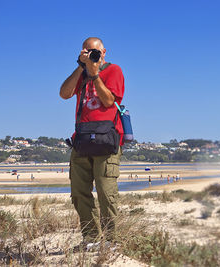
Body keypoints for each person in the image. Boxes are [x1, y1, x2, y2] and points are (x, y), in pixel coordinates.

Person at [60, 37, 125, 245]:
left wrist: (95, 73)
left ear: (104, 52)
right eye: (88, 52)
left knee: (106, 193)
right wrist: (81, 67)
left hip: (108, 139)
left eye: (96, 52)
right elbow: (64, 94)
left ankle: (111, 241)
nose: (93, 55)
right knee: (79, 193)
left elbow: (108, 101)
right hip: (81, 139)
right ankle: (90, 239)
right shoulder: (81, 73)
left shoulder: (114, 71)